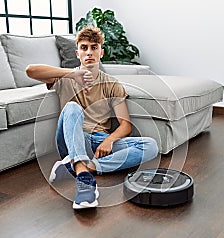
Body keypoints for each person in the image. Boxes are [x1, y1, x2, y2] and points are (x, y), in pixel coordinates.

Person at [26, 26, 158, 209]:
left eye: (94, 47)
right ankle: (84, 179)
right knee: (72, 107)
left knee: (151, 146)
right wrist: (72, 73)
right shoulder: (64, 78)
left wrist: (109, 140)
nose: (89, 52)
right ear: (77, 52)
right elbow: (30, 71)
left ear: (101, 52)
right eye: (84, 47)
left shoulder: (111, 84)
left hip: (98, 141)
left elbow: (125, 125)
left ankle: (84, 166)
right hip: (72, 139)